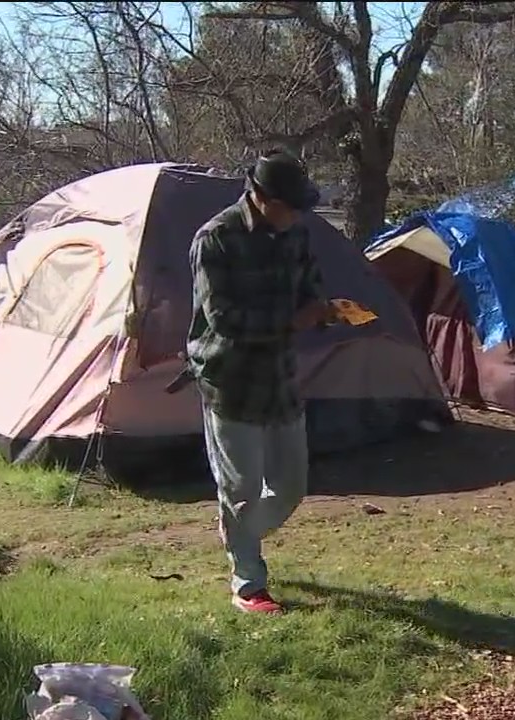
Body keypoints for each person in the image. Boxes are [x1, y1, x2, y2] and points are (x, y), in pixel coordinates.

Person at [187, 150, 334, 614]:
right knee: (241, 489)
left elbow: (310, 286)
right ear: (261, 197)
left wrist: (326, 310)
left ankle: (238, 530)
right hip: (231, 380)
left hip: (281, 377)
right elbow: (225, 320)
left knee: (290, 487)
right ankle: (248, 582)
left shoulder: (297, 235)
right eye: (288, 206)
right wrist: (295, 321)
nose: (296, 216)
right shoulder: (216, 239)